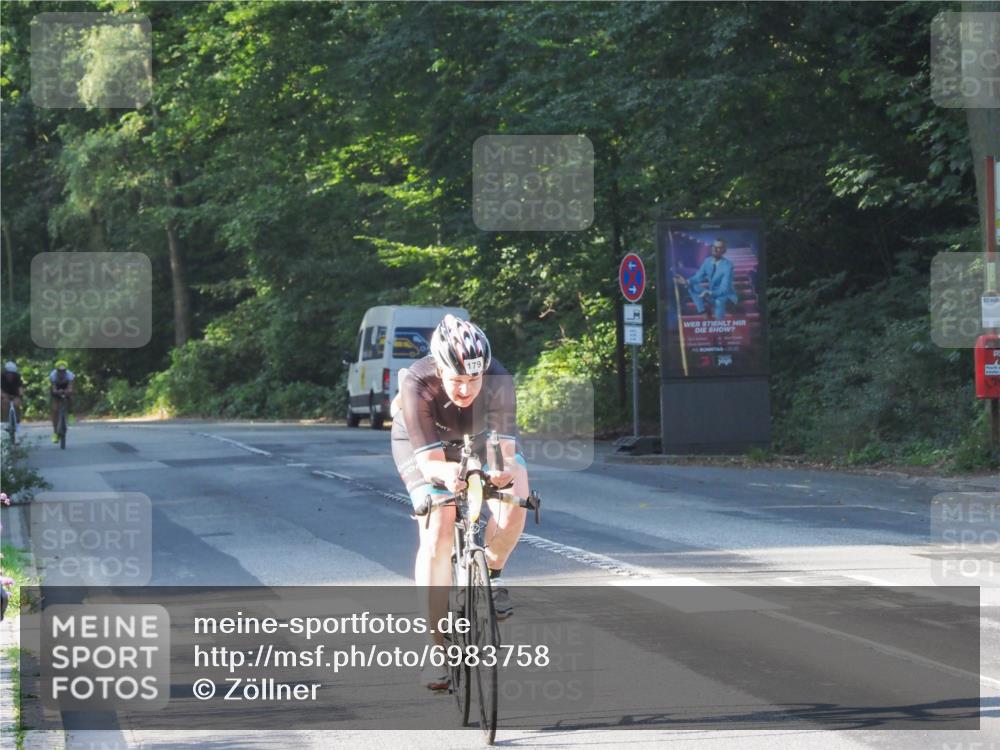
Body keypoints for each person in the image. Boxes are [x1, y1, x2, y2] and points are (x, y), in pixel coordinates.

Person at [390, 315, 529, 690]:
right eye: (456, 380)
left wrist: (497, 475)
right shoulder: (416, 382)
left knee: (516, 497)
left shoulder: (498, 380)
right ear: (439, 368)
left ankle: (493, 572)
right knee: (439, 525)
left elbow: (504, 452)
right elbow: (431, 464)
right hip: (425, 447)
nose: (465, 389)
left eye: (473, 380)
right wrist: (453, 477)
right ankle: (435, 649)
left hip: (481, 438)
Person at [674, 238, 738, 319]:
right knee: (692, 285)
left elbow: (724, 290)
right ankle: (702, 312)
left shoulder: (728, 266)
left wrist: (709, 293)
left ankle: (720, 324)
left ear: (724, 250)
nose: (714, 249)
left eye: (718, 247)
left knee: (719, 301)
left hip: (727, 298)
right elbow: (698, 277)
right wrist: (686, 281)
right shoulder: (707, 261)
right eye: (714, 246)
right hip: (712, 295)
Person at [49, 360, 75, 443]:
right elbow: (53, 388)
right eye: (60, 371)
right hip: (57, 388)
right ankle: (55, 433)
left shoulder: (70, 375)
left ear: (66, 371)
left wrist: (68, 391)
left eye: (63, 371)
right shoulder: (53, 376)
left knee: (71, 398)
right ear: (57, 371)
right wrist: (57, 391)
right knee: (55, 409)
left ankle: (70, 413)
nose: (61, 373)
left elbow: (71, 386)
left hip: (66, 386)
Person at [1, 362, 23, 430]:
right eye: (8, 373)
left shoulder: (18, 377)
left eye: (12, 373)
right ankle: (5, 422)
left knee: (17, 404)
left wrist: (19, 396)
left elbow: (21, 389)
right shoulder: (1, 378)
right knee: (4, 404)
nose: (10, 375)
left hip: (15, 394)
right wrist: (3, 395)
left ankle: (17, 421)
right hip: (5, 394)